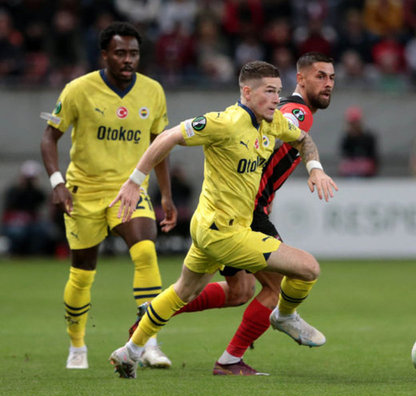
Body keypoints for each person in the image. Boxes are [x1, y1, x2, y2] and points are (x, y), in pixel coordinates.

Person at [108, 60, 338, 379]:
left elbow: (303, 139)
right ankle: (283, 316)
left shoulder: (272, 122)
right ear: (247, 92)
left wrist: (315, 169)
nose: (277, 99)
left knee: (184, 292)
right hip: (225, 234)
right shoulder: (224, 123)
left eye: (278, 91)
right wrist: (135, 181)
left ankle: (129, 351)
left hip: (209, 227)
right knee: (308, 269)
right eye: (269, 92)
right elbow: (168, 137)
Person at [39, 21, 177, 371]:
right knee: (82, 274)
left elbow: (159, 146)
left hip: (130, 189)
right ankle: (77, 345)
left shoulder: (153, 91)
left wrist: (165, 196)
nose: (128, 59)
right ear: (104, 55)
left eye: (133, 53)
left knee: (145, 251)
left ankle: (147, 343)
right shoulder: (78, 89)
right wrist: (57, 182)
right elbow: (49, 137)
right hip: (83, 192)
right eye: (120, 53)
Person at [1, 160, 51, 255]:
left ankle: (34, 253)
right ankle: (15, 253)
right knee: (17, 232)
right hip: (15, 221)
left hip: (31, 221)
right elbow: (11, 204)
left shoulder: (36, 192)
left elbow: (42, 200)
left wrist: (36, 187)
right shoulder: (13, 190)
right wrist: (21, 187)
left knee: (42, 229)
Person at [338, 106, 378, 178]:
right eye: (352, 124)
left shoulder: (368, 138)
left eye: (355, 123)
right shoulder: (346, 139)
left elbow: (374, 157)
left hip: (367, 174)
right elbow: (344, 156)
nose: (354, 126)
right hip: (350, 173)